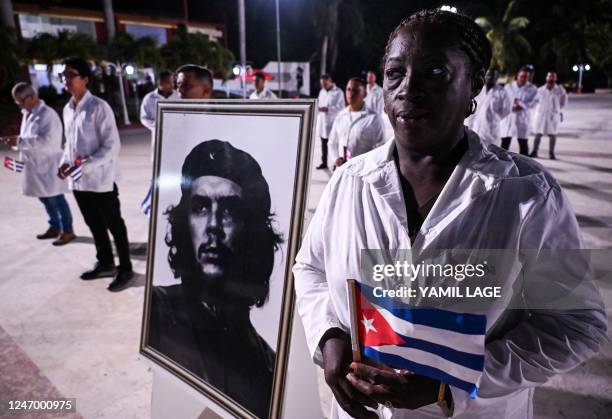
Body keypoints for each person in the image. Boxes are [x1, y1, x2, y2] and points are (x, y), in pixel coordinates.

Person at [293, 9, 606, 419]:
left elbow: (576, 325)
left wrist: (453, 384)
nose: (408, 89)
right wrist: (328, 335)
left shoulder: (526, 195)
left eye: (434, 72)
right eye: (395, 73)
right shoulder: (348, 183)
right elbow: (309, 267)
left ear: (474, 84)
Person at [149, 140, 283, 418]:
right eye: (199, 207)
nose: (213, 226)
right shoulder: (157, 310)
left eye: (229, 211)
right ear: (184, 222)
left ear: (252, 232)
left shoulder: (269, 365)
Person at [58, 57, 133, 292]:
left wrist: (84, 166)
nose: (66, 79)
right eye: (64, 75)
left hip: (101, 180)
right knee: (94, 224)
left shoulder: (99, 107)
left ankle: (125, 267)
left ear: (85, 79)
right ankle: (105, 261)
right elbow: (69, 143)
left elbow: (112, 147)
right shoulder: (68, 109)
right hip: (79, 182)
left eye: (71, 74)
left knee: (114, 225)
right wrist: (64, 163)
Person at [6, 82, 75, 245]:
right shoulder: (28, 113)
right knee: (44, 197)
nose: (19, 105)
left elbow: (47, 141)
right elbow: (28, 137)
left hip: (49, 163)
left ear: (31, 97)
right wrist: (16, 141)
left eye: (21, 101)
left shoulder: (47, 114)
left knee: (56, 198)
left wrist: (20, 141)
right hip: (35, 165)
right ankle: (54, 226)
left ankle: (68, 230)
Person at [328, 77, 385, 168]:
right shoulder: (341, 116)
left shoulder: (374, 119)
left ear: (364, 94)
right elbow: (332, 142)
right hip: (342, 171)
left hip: (363, 172)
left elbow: (380, 149)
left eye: (356, 90)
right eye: (348, 89)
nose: (351, 93)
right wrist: (336, 159)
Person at [464, 68, 511, 146]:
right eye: (489, 75)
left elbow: (506, 110)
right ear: (485, 76)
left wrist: (494, 118)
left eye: (494, 75)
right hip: (475, 127)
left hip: (491, 129)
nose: (490, 77)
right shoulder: (478, 89)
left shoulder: (502, 92)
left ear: (497, 77)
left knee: (487, 153)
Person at [140, 70, 179, 160]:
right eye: (169, 82)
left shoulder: (178, 96)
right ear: (160, 83)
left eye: (172, 82)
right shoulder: (149, 98)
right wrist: (158, 125)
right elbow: (144, 118)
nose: (172, 85)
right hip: (159, 139)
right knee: (160, 164)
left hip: (178, 138)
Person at [499, 67, 538, 155]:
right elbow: (503, 101)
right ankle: (501, 164)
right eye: (522, 76)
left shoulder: (532, 88)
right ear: (517, 76)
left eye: (526, 77)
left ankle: (525, 166)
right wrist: (511, 107)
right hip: (509, 118)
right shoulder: (508, 87)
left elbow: (534, 103)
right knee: (505, 143)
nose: (524, 79)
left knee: (523, 144)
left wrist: (522, 106)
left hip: (523, 119)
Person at [530, 72, 567, 160]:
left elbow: (563, 103)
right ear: (546, 78)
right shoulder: (540, 90)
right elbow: (535, 101)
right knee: (538, 134)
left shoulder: (560, 90)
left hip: (553, 116)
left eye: (553, 77)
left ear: (555, 79)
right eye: (549, 76)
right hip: (541, 115)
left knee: (552, 135)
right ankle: (534, 151)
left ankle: (551, 153)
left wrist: (556, 110)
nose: (551, 78)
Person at [316, 74, 345, 169]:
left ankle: (335, 163)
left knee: (334, 144)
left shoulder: (338, 92)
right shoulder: (322, 92)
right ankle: (324, 162)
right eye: (322, 84)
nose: (323, 86)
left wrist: (328, 109)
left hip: (333, 122)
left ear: (330, 81)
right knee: (324, 143)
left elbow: (341, 107)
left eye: (325, 83)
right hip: (323, 122)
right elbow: (319, 104)